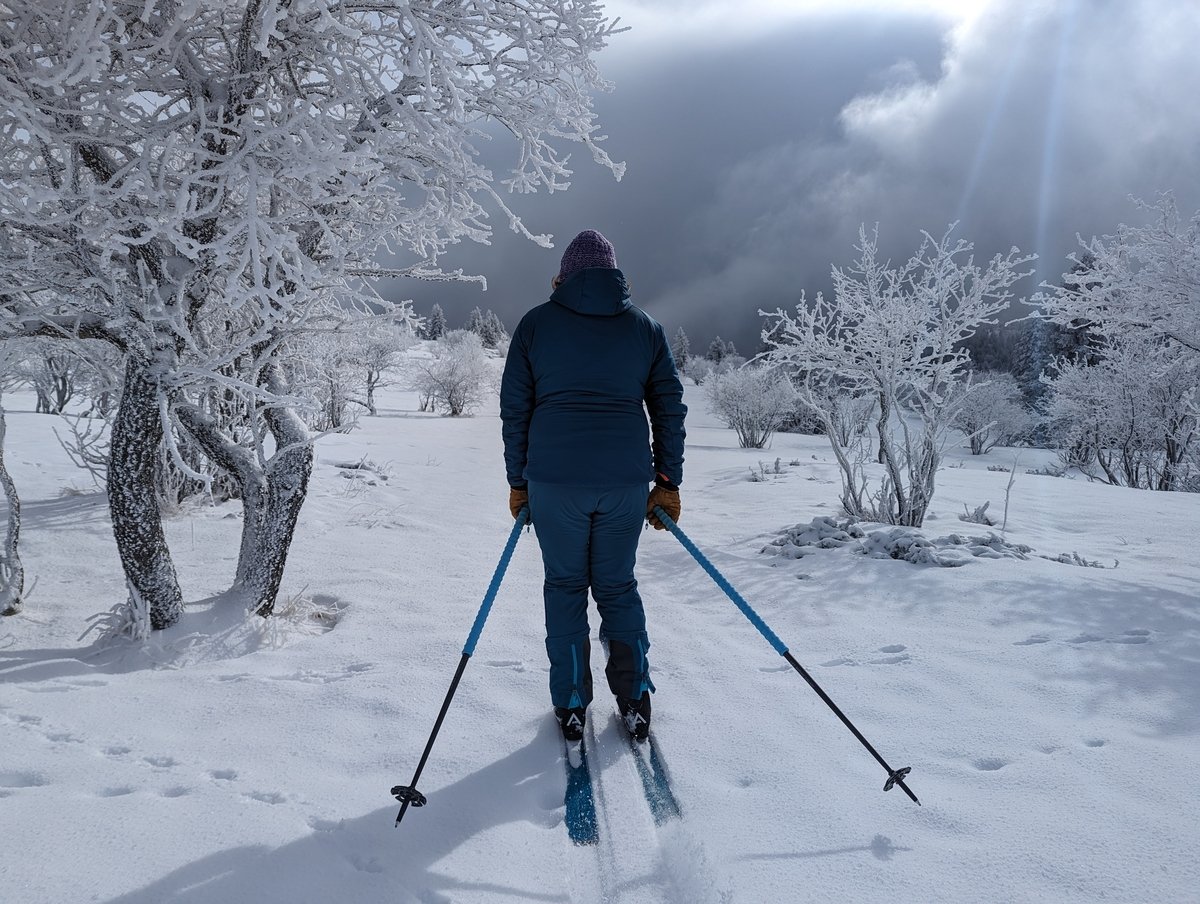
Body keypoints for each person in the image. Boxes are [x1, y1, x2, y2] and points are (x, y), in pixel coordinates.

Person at [500, 229, 686, 744]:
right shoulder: (644, 329)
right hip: (624, 483)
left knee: (564, 587)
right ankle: (634, 697)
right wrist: (667, 481)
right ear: (613, 275)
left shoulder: (535, 326)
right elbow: (668, 407)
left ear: (563, 275)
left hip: (554, 483)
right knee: (617, 586)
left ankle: (572, 702)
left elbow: (515, 410)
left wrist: (520, 482)